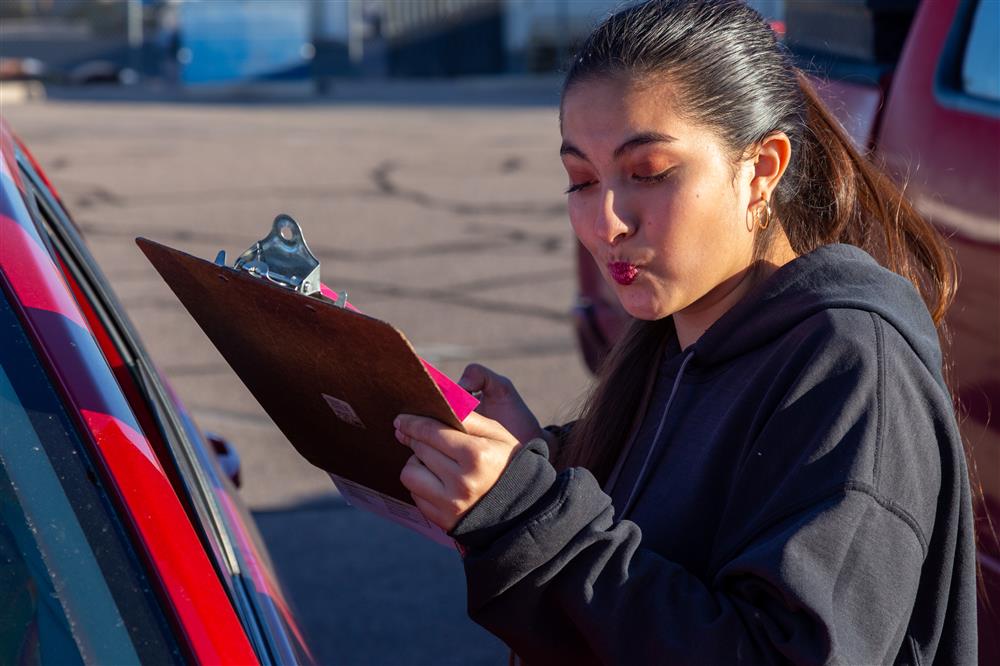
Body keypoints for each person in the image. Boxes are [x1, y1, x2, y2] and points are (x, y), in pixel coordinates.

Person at [392, 1, 979, 663]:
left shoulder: (851, 369)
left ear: (762, 169)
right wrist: (540, 462)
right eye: (581, 180)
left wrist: (527, 517)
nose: (606, 220)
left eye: (646, 174)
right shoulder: (670, 341)